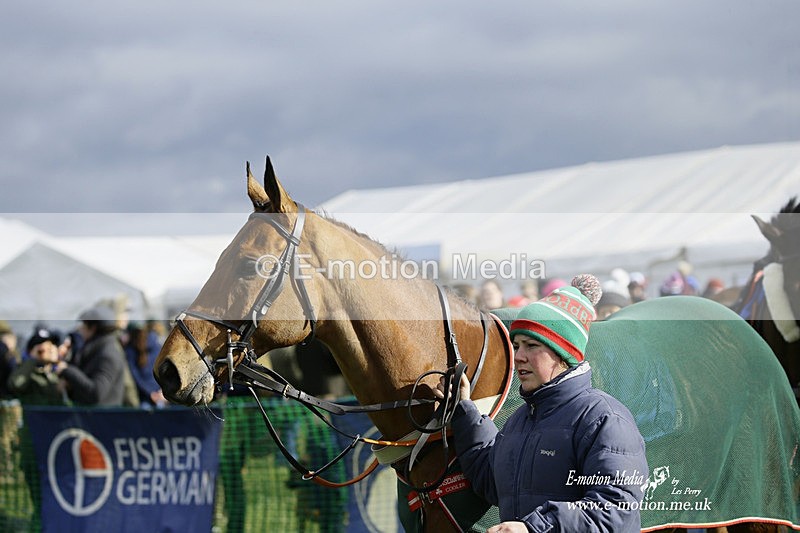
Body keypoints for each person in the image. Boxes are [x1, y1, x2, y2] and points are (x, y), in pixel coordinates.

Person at [436, 275, 648, 532]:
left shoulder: (604, 418)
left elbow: (615, 512)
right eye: (516, 345)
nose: (519, 356)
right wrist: (463, 409)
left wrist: (532, 528)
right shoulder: (520, 419)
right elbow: (492, 481)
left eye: (532, 345)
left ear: (563, 353)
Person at [54, 305, 129, 406]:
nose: (80, 328)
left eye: (84, 324)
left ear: (93, 328)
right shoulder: (95, 349)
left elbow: (96, 393)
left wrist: (68, 370)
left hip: (102, 419)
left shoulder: (107, 355)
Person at [122, 321, 167, 407]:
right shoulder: (157, 345)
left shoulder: (130, 350)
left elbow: (135, 376)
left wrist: (150, 393)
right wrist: (161, 391)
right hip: (158, 393)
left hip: (145, 395)